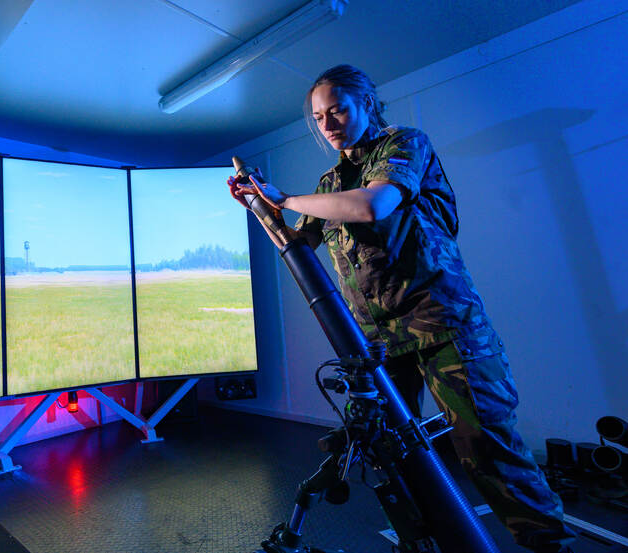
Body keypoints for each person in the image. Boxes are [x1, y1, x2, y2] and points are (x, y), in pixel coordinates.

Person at [228, 64, 576, 553]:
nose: (328, 125)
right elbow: (296, 245)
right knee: (394, 453)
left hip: (444, 327)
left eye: (337, 111)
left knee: (485, 447)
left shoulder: (403, 144)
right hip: (378, 344)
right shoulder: (329, 184)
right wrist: (261, 208)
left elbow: (372, 206)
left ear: (366, 104)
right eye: (319, 117)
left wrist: (284, 198)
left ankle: (551, 545)